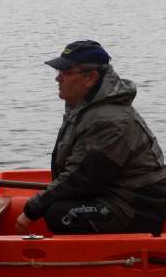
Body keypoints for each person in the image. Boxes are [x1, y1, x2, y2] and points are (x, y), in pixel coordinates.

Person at [15, 40, 166, 235]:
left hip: (137, 208)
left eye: (66, 73)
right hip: (111, 194)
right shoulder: (83, 107)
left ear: (91, 78)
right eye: (58, 72)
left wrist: (32, 209)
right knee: (58, 203)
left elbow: (82, 178)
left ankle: (105, 260)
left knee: (59, 214)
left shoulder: (110, 120)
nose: (58, 79)